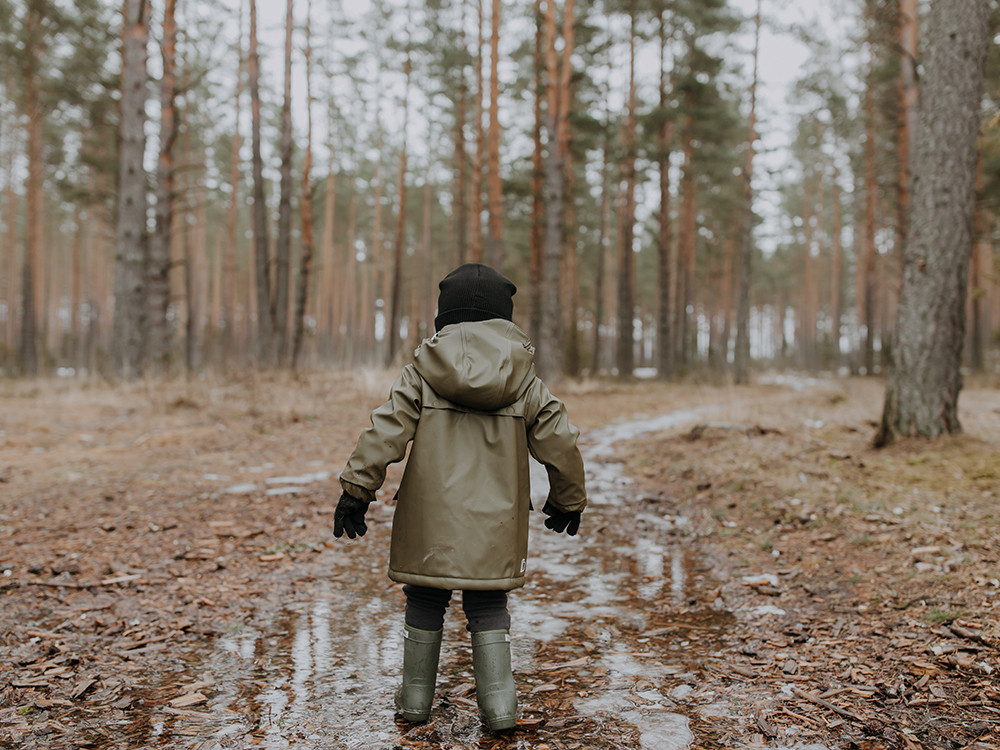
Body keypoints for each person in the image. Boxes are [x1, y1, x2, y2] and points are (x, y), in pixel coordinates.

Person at [334, 262, 588, 733]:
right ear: (503, 317)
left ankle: (413, 701)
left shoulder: (422, 372)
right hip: (495, 523)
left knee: (425, 599)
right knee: (488, 604)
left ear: (445, 316)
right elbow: (561, 441)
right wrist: (568, 498)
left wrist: (357, 488)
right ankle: (500, 709)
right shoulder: (526, 381)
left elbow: (384, 429)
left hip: (430, 522)